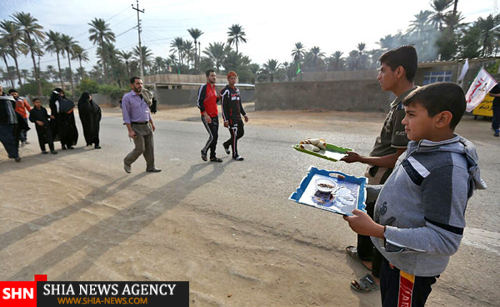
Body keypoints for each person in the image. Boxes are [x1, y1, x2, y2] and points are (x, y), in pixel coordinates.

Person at [344, 82, 486, 307]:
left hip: (411, 269)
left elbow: (445, 240)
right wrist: (362, 190)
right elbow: (403, 192)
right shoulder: (421, 147)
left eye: (410, 114)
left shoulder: (446, 169)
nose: (403, 121)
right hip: (397, 258)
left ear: (441, 119)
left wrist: (377, 230)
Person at [340, 45, 417, 292]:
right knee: (365, 212)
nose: (378, 75)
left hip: (387, 177)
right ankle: (364, 254)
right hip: (377, 173)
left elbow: (396, 157)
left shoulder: (409, 105)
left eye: (383, 70)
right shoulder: (399, 103)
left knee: (379, 224)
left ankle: (377, 277)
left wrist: (361, 158)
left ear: (399, 71)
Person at [122, 76, 161, 173]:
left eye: (141, 83)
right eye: (138, 83)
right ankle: (127, 161)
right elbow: (126, 115)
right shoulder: (127, 98)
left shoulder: (144, 95)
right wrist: (130, 130)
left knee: (150, 148)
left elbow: (147, 111)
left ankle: (150, 167)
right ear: (132, 85)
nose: (140, 85)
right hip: (136, 127)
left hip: (147, 125)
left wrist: (151, 123)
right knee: (140, 148)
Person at [221, 71, 249, 161]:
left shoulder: (237, 90)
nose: (233, 80)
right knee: (234, 135)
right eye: (231, 78)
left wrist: (244, 114)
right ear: (228, 79)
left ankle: (226, 144)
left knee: (240, 133)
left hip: (238, 117)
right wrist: (225, 120)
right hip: (231, 118)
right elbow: (223, 107)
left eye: (234, 78)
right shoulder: (226, 91)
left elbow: (239, 104)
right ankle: (235, 154)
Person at [197, 69, 222, 162]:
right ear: (207, 77)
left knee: (215, 137)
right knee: (212, 136)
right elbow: (199, 102)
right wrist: (206, 115)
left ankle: (212, 156)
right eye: (212, 75)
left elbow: (214, 101)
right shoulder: (203, 87)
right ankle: (204, 151)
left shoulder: (214, 88)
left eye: (215, 75)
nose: (214, 77)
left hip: (215, 115)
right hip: (207, 116)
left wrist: (219, 96)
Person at [0, 85, 21, 162]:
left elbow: (13, 108)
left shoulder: (8, 98)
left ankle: (14, 154)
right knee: (7, 139)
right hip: (2, 123)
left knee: (13, 138)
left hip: (11, 121)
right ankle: (14, 154)